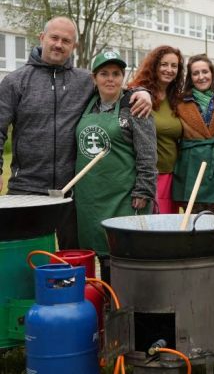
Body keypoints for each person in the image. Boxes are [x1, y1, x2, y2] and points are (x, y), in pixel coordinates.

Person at [0, 16, 151, 249]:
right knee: (26, 254)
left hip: (72, 189)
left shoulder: (83, 81)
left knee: (74, 257)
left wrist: (142, 92)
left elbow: (114, 85)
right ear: (42, 38)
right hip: (26, 185)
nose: (59, 44)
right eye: (54, 38)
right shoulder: (15, 82)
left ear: (74, 46)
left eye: (66, 40)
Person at [74, 51, 157, 282]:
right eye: (104, 74)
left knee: (122, 254)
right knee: (96, 252)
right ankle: (102, 303)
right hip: (90, 196)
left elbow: (148, 154)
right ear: (94, 78)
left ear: (123, 77)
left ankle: (121, 307)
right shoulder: (84, 106)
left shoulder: (135, 107)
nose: (110, 79)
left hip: (123, 195)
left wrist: (144, 190)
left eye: (116, 74)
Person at [173, 54, 214, 214]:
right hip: (190, 168)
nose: (201, 77)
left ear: (212, 73)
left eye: (205, 72)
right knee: (193, 220)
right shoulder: (179, 102)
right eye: (195, 73)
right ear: (190, 78)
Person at [129, 45, 184, 214]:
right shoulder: (138, 95)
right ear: (154, 66)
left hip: (171, 176)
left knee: (169, 231)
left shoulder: (176, 98)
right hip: (149, 176)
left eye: (174, 66)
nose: (169, 70)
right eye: (164, 64)